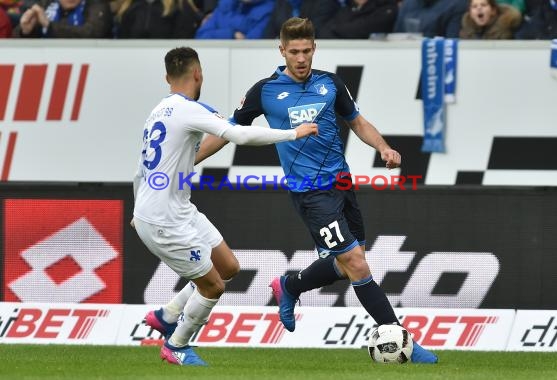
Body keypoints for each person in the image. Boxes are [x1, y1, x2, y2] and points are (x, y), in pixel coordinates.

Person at [195, 17, 438, 364]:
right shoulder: (264, 91)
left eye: (306, 50)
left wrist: (382, 148)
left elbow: (356, 120)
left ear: (314, 48)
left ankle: (290, 286)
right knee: (355, 263)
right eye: (294, 51)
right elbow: (227, 130)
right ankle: (403, 342)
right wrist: (190, 160)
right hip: (310, 194)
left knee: (345, 265)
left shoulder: (330, 84)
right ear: (282, 51)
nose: (301, 58)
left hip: (342, 184)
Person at [132, 46, 317, 366]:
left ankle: (167, 315)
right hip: (164, 217)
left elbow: (141, 169)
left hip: (175, 207)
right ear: (198, 74)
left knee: (228, 266)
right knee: (213, 285)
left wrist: (137, 206)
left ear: (167, 78)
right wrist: (292, 133)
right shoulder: (189, 109)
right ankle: (176, 345)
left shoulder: (158, 111)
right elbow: (238, 136)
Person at [13, 0, 112, 37]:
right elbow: (15, 36)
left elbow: (92, 33)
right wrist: (26, 32)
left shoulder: (97, 4)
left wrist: (49, 25)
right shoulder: (46, 3)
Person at [114, 0, 203, 38]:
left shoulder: (180, 6)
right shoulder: (129, 7)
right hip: (133, 63)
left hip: (169, 66)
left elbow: (182, 43)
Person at [195, 0, 275, 39]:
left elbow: (250, 45)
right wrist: (231, 34)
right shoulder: (225, 6)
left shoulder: (270, 10)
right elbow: (201, 36)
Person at [319, 0, 398, 39]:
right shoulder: (347, 8)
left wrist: (337, 29)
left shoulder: (387, 8)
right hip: (342, 55)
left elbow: (364, 28)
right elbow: (324, 31)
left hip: (375, 57)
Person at [263, 0, 340, 39]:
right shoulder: (281, 3)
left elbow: (312, 31)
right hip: (284, 54)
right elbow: (268, 35)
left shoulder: (325, 2)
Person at [393, 0, 467, 38]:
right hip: (407, 54)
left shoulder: (457, 4)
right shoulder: (408, 3)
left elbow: (451, 42)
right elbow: (397, 36)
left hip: (436, 58)